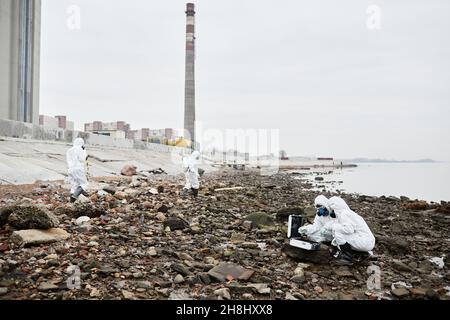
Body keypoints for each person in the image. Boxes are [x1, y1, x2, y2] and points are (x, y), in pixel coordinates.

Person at [327, 196, 375, 265]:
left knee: (338, 233)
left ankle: (347, 257)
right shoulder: (348, 213)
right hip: (367, 241)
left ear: (335, 207)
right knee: (339, 235)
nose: (331, 211)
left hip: (365, 242)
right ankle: (361, 254)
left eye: (331, 209)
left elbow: (349, 229)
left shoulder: (344, 214)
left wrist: (334, 227)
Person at [66, 138, 89, 203]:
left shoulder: (69, 150)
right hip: (78, 168)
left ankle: (71, 202)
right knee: (84, 183)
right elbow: (82, 159)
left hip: (70, 169)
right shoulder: (80, 149)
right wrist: (84, 151)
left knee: (74, 185)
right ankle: (74, 197)